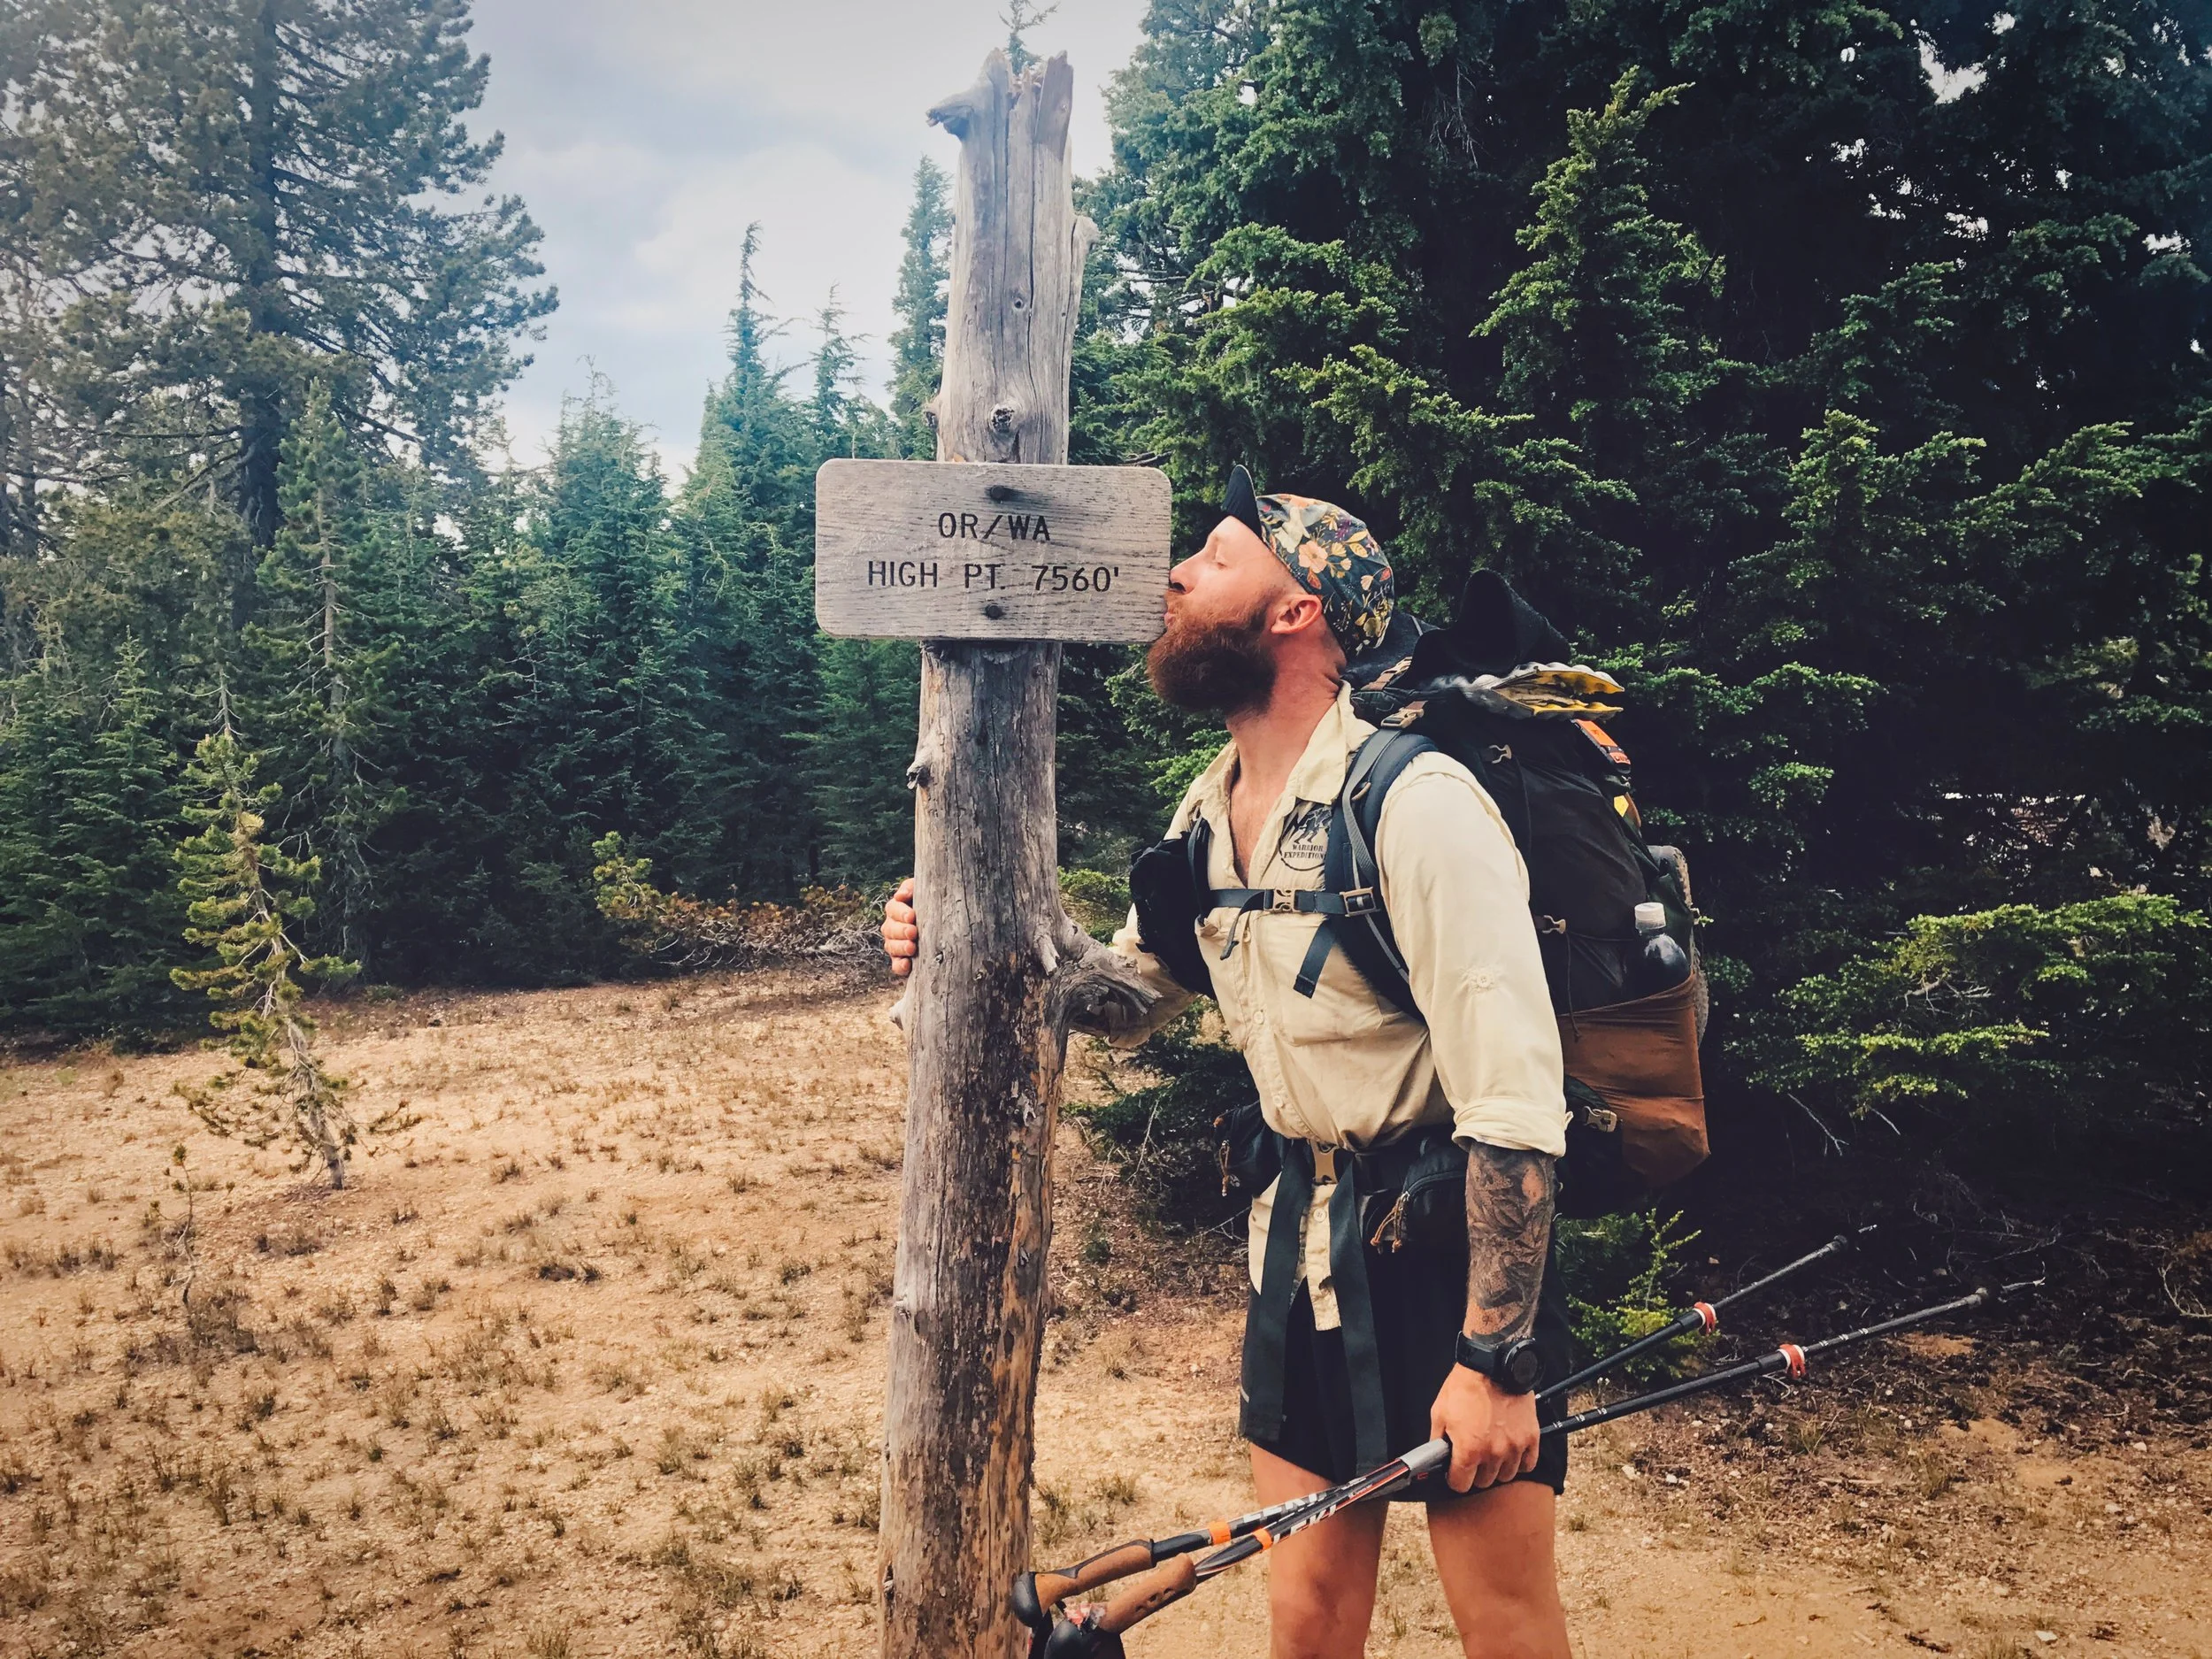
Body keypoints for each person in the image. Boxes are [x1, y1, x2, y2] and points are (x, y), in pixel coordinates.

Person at [881, 467, 1572, 1659]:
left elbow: (1514, 1105)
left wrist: (1493, 1360)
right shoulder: (1205, 824)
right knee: (1306, 1621)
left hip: (1442, 1257)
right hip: (1295, 1247)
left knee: (1505, 1628)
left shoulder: (1420, 807)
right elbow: (1123, 1002)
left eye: (1213, 556)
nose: (1177, 578)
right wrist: (952, 944)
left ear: (1296, 611)